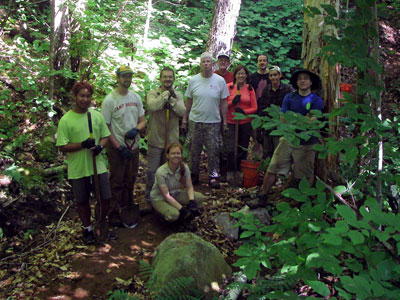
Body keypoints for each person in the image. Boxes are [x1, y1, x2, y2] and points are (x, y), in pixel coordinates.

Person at [247, 69, 323, 208]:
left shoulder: (316, 100)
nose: (303, 81)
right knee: (273, 167)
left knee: (305, 174)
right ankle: (262, 196)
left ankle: (302, 203)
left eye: (306, 78)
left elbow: (313, 120)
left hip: (307, 142)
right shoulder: (289, 97)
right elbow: (283, 118)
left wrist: (293, 117)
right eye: (300, 79)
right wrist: (301, 119)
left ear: (311, 82)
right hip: (287, 138)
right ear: (296, 82)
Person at [56, 81, 116, 244]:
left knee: (105, 197)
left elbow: (105, 135)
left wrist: (99, 147)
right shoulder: (66, 120)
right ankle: (87, 229)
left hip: (98, 165)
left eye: (88, 96)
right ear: (75, 97)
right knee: (82, 201)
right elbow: (62, 146)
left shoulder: (96, 115)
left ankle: (101, 223)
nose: (85, 99)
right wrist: (82, 145)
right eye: (82, 95)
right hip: (78, 168)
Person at [101, 66, 146, 227]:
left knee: (131, 178)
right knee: (117, 181)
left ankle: (128, 207)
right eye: (124, 76)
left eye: (130, 76)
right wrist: (118, 147)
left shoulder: (135, 97)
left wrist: (136, 129)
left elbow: (142, 120)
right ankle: (114, 213)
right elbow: (105, 128)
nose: (127, 79)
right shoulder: (110, 101)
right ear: (118, 78)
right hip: (117, 148)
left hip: (133, 147)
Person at [182, 52, 229, 189]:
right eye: (204, 62)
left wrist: (224, 121)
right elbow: (189, 101)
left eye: (209, 62)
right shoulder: (194, 80)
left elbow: (224, 102)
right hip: (195, 120)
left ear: (212, 64)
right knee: (194, 149)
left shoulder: (219, 81)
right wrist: (185, 118)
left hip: (213, 121)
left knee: (213, 149)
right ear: (200, 64)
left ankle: (213, 176)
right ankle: (193, 174)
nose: (206, 64)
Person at [145, 67, 185, 209]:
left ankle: (168, 198)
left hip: (171, 141)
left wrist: (172, 101)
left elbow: (182, 111)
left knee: (169, 171)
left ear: (173, 79)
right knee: (153, 171)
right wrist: (164, 97)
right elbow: (153, 106)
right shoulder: (153, 93)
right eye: (165, 77)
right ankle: (150, 199)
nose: (167, 79)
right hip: (156, 139)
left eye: (170, 77)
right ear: (160, 79)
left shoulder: (178, 94)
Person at [150, 143, 205, 222]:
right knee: (174, 215)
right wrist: (182, 209)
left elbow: (189, 186)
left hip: (175, 193)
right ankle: (160, 215)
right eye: (173, 153)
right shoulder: (161, 172)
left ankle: (189, 215)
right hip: (160, 198)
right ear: (167, 155)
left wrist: (191, 201)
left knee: (199, 198)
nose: (176, 156)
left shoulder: (184, 168)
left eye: (178, 153)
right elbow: (166, 196)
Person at [226, 65, 257, 181]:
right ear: (235, 75)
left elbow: (254, 107)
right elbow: (223, 104)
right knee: (230, 148)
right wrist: (232, 102)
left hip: (244, 122)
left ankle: (239, 170)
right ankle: (230, 170)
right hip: (231, 121)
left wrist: (244, 111)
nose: (241, 76)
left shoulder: (250, 88)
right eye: (239, 73)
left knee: (242, 147)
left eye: (243, 73)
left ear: (246, 75)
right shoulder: (229, 87)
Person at [258, 65, 294, 159]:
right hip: (267, 126)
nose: (273, 77)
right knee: (266, 152)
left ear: (280, 75)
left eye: (275, 75)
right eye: (271, 75)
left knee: (279, 151)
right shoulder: (266, 89)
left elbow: (293, 107)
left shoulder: (288, 89)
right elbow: (262, 107)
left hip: (282, 125)